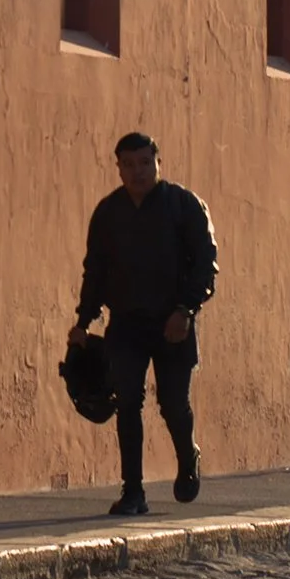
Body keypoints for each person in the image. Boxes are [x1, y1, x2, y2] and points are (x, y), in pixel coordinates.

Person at [68, 131, 217, 518]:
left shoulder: (184, 206)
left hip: (173, 323)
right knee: (128, 402)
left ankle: (188, 456)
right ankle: (133, 491)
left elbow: (205, 265)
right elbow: (95, 271)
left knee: (172, 404)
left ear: (158, 162)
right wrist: (83, 321)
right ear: (118, 168)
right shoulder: (107, 213)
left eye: (145, 163)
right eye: (129, 164)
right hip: (127, 325)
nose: (138, 172)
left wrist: (186, 310)